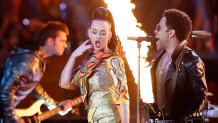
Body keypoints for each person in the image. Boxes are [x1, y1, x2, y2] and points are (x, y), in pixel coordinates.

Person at [59, 7, 130, 123]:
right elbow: (64, 83)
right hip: (92, 118)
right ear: (89, 32)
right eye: (94, 32)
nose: (98, 36)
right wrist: (73, 56)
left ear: (109, 35)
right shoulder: (89, 62)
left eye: (103, 33)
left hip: (110, 118)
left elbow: (123, 97)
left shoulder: (114, 60)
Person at [0, 21, 70, 123]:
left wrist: (54, 105)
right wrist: (13, 118)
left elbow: (32, 84)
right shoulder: (30, 61)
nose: (65, 45)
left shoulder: (36, 59)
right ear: (50, 41)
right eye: (62, 41)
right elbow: (5, 90)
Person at [149, 9, 208, 122]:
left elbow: (201, 98)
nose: (155, 31)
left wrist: (185, 118)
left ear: (171, 33)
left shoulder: (192, 61)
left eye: (158, 28)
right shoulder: (158, 61)